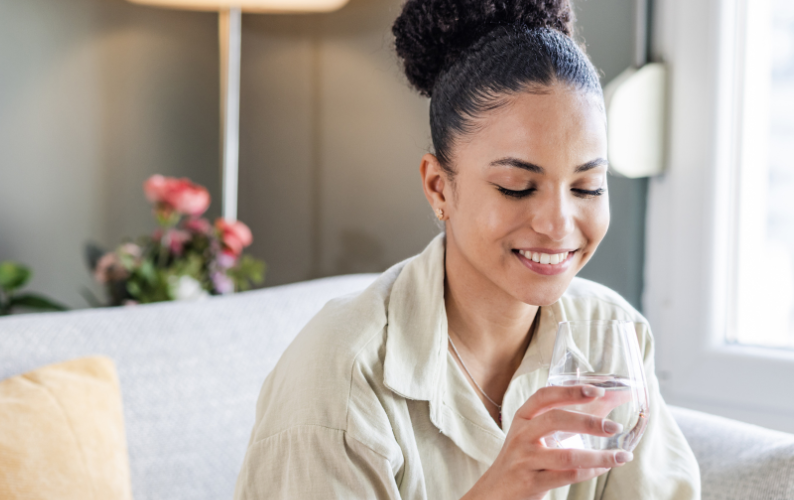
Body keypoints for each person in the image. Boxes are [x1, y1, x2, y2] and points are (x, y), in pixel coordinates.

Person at [233, 0, 699, 498]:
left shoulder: (612, 338)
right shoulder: (341, 377)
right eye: (518, 187)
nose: (558, 223)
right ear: (438, 187)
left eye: (587, 187)